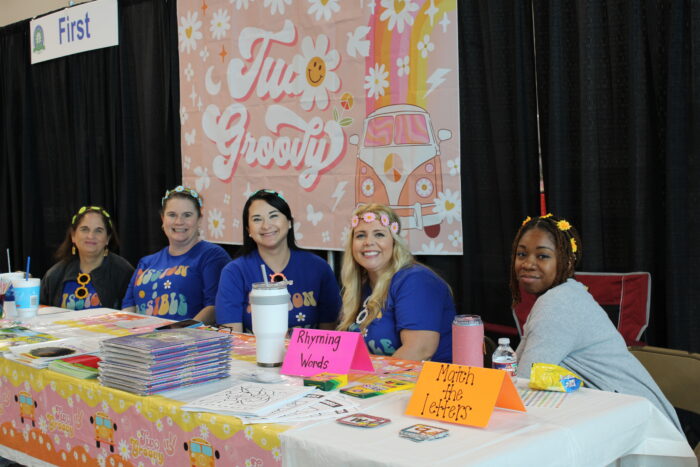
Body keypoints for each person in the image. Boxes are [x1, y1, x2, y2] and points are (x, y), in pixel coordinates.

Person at [512, 214, 682, 431]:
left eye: (543, 256)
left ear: (567, 260)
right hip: (625, 416)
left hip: (643, 432)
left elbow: (522, 387)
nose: (528, 264)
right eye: (521, 254)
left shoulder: (559, 302)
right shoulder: (567, 292)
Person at [337, 204, 455, 362]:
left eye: (379, 234)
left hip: (424, 383)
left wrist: (374, 383)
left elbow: (420, 351)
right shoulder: (359, 287)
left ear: (394, 242)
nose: (368, 242)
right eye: (360, 236)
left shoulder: (416, 281)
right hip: (373, 382)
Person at [216, 189, 341, 332]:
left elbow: (330, 334)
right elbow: (231, 337)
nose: (266, 225)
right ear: (248, 229)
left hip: (307, 354)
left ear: (289, 222)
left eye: (273, 216)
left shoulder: (318, 268)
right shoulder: (234, 272)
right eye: (257, 219)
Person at [122, 186, 230, 323]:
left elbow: (214, 307)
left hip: (188, 341)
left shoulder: (212, 256)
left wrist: (180, 334)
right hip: (142, 340)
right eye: (172, 215)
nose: (179, 222)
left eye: (187, 215)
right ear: (163, 219)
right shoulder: (146, 262)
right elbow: (128, 307)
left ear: (199, 219)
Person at [41, 206, 134, 310]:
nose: (91, 236)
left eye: (98, 231)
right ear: (73, 236)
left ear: (107, 238)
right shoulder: (55, 274)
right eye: (84, 229)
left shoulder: (123, 272)